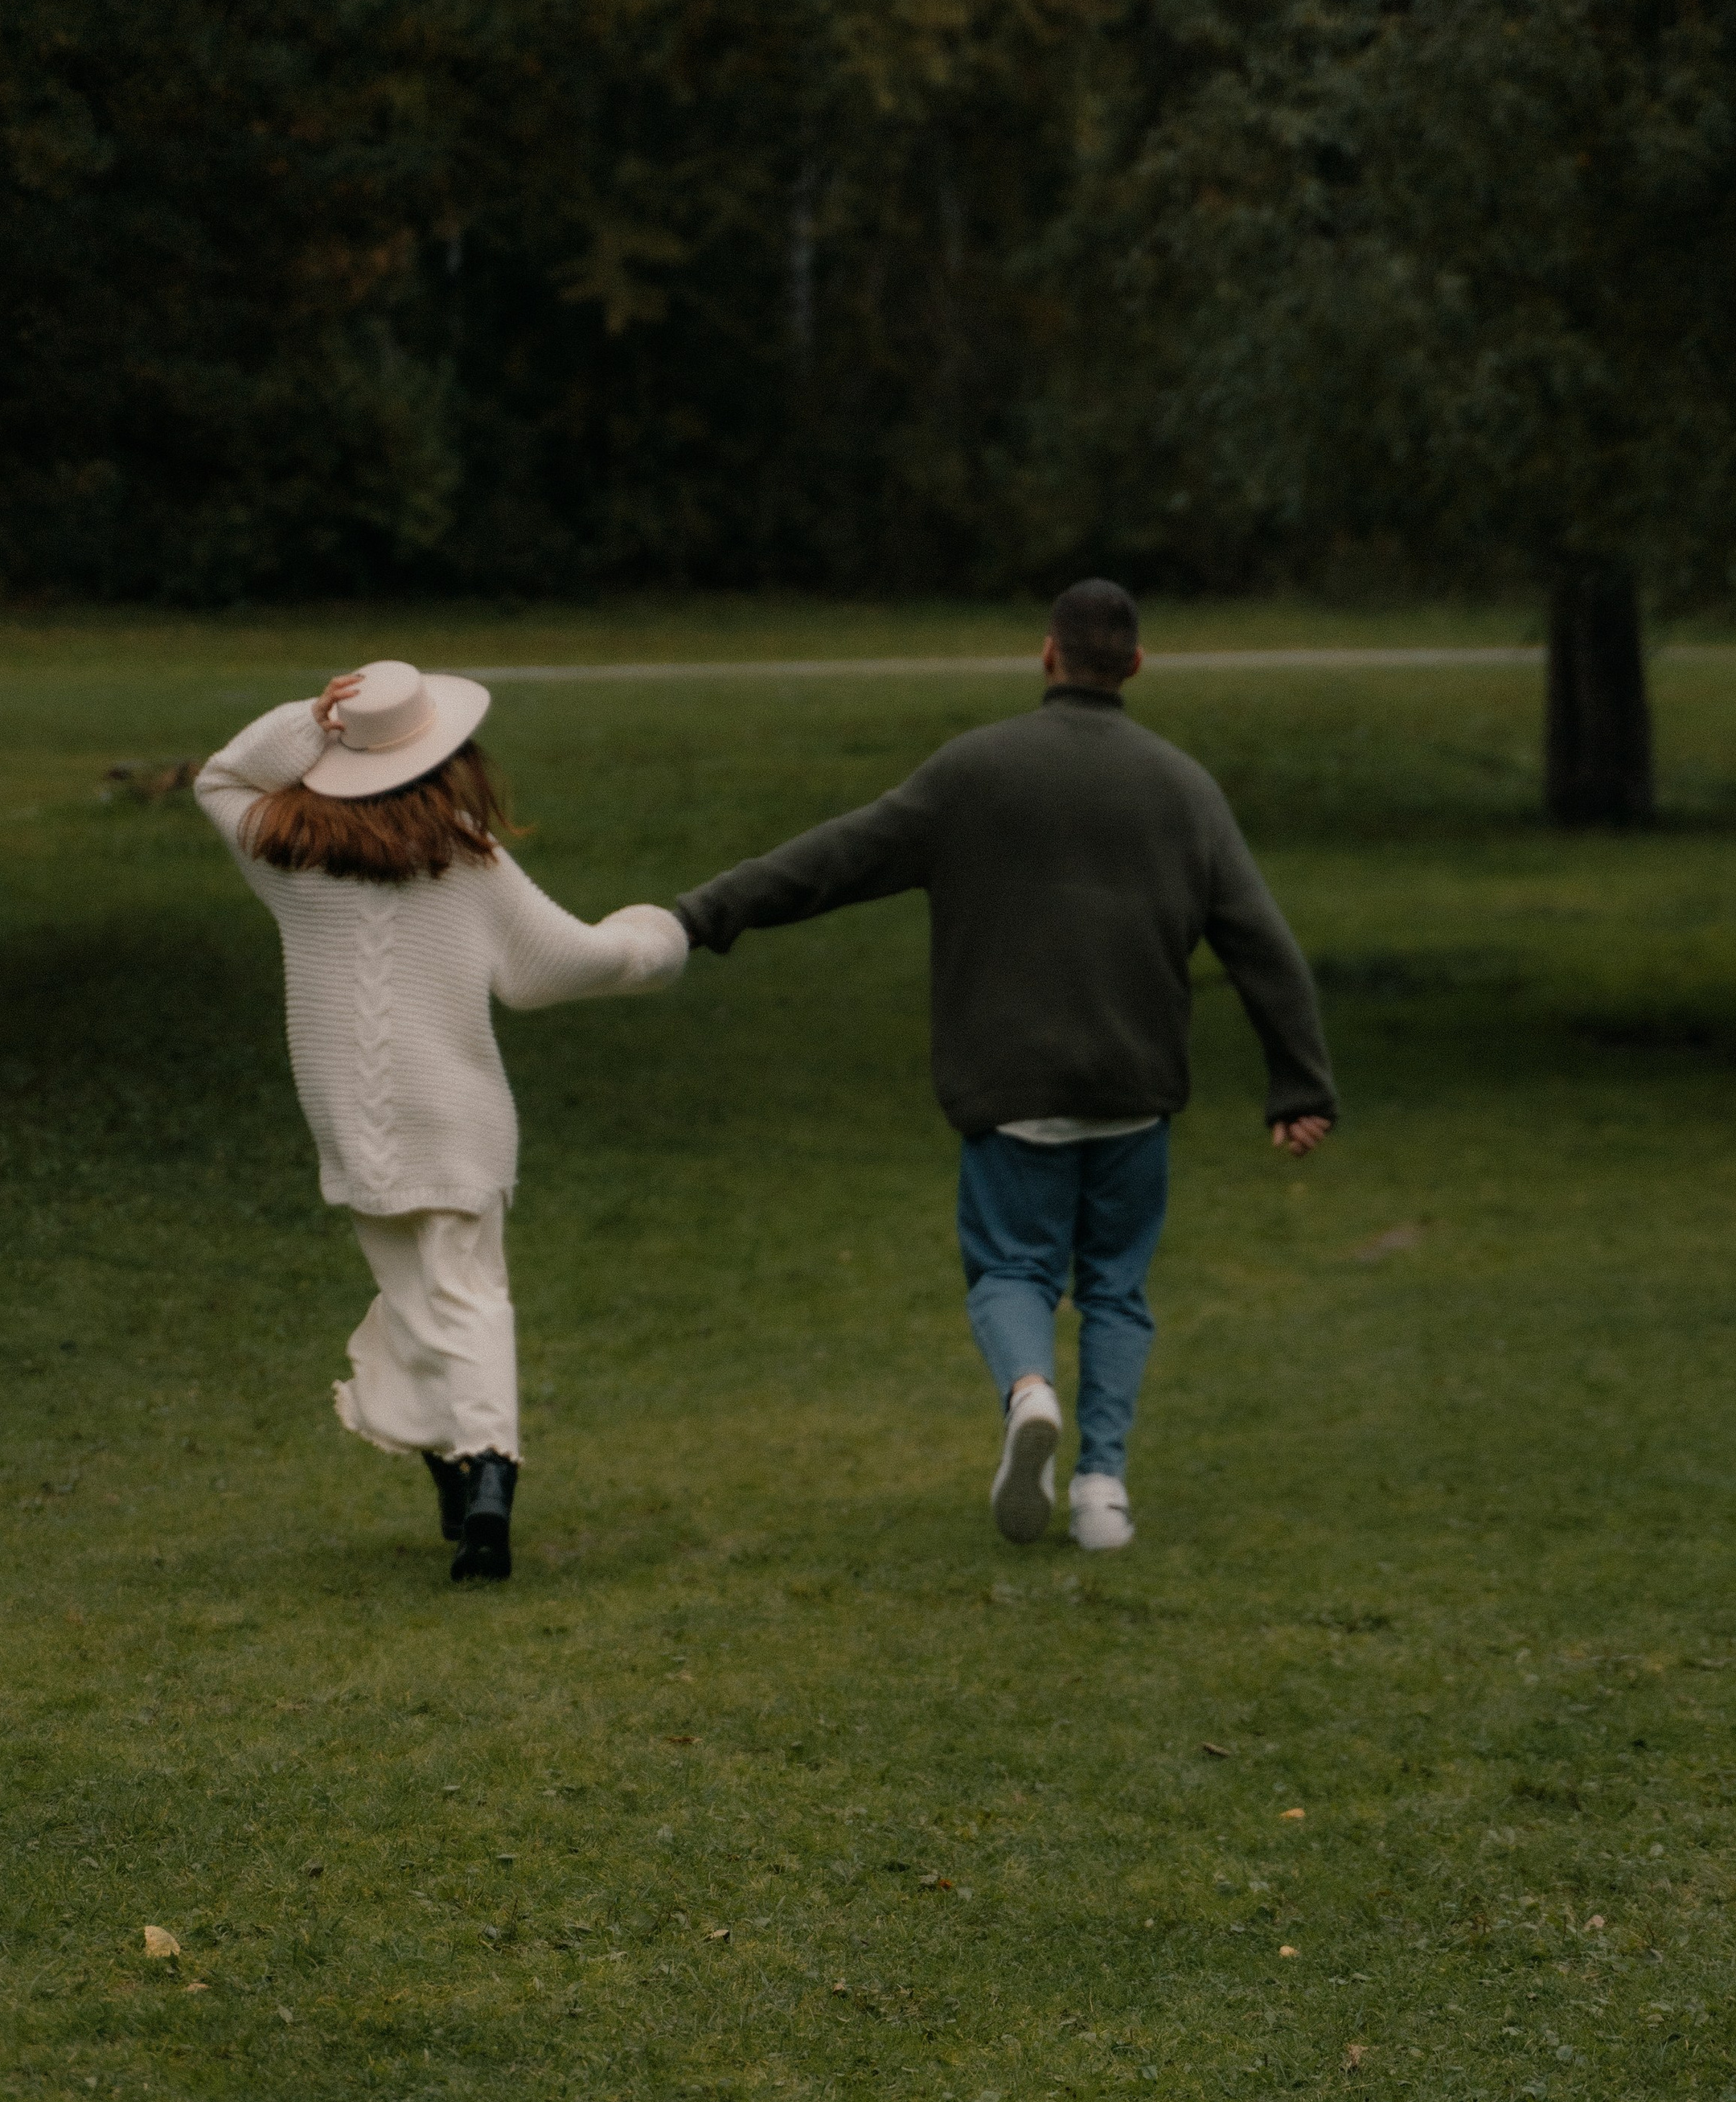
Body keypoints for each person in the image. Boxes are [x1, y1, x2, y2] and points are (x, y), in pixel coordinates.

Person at [674, 580, 1336, 1550]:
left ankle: (1029, 1392)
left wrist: (702, 914)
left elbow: (836, 858)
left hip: (1009, 1088)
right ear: (1137, 667)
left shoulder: (973, 772)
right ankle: (1102, 1489)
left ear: (1047, 655)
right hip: (1133, 1088)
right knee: (1115, 1288)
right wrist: (1299, 1083)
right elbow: (1262, 944)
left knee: (1010, 1271)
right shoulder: (1184, 787)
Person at [195, 659, 686, 1581]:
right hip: (456, 1112)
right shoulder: (464, 856)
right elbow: (555, 965)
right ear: (442, 754)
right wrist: (652, 941)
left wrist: (310, 718)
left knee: (416, 1297)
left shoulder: (286, 850)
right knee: (464, 1292)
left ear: (346, 752)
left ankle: (460, 1477)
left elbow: (220, 774)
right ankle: (488, 1474)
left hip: (348, 1113)